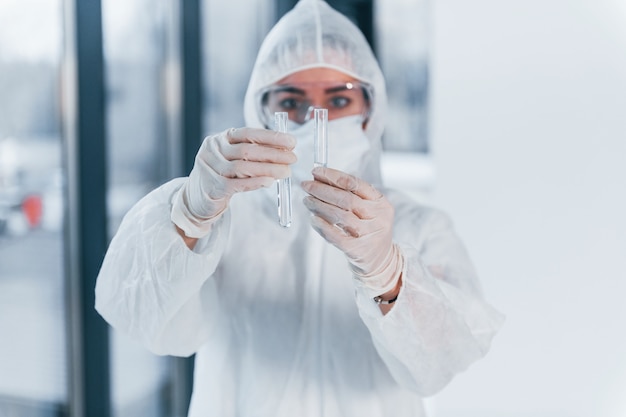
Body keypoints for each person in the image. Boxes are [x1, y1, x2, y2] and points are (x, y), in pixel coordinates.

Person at [95, 0, 504, 415]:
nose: (314, 119)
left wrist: (388, 272)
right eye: (290, 102)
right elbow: (143, 318)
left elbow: (442, 362)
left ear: (370, 112)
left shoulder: (418, 226)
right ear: (261, 111)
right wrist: (189, 215)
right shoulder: (225, 218)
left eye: (339, 101)